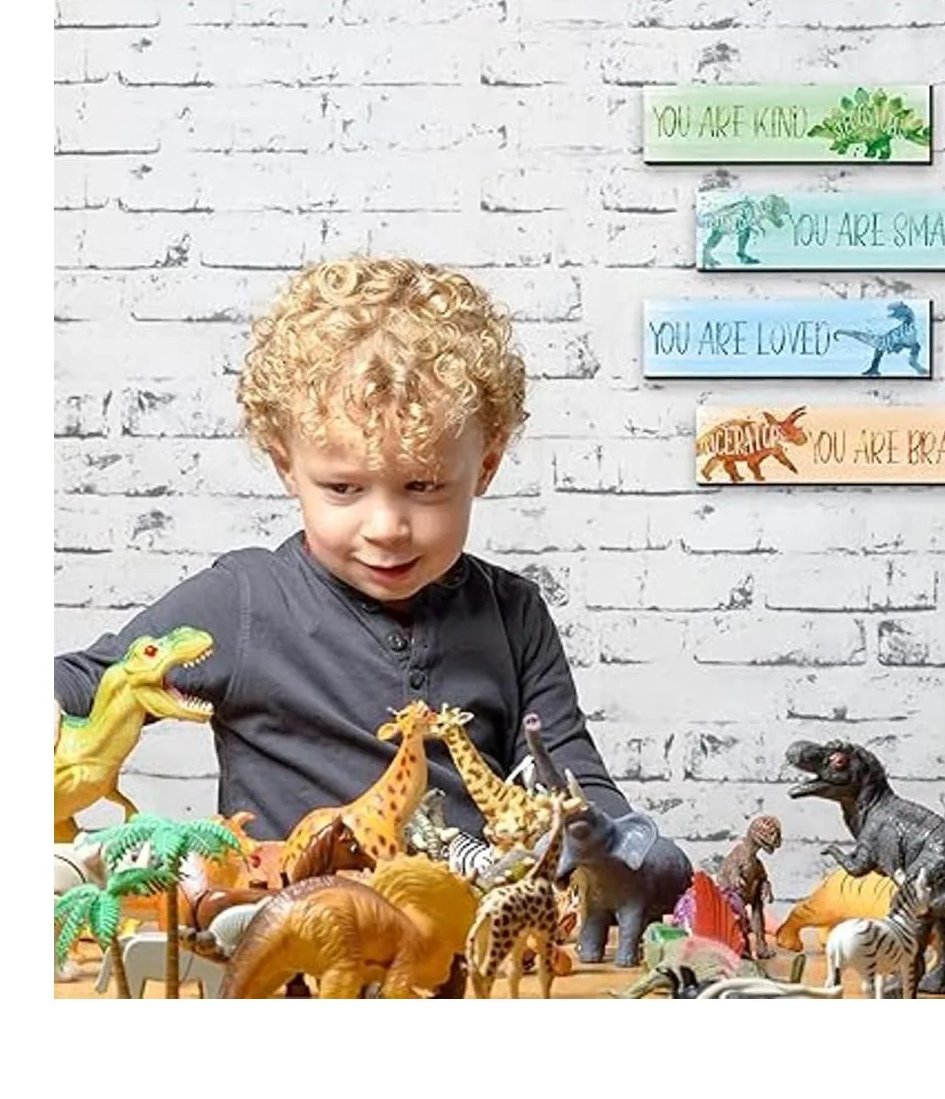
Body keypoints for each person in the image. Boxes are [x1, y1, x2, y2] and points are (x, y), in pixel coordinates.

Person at [54, 256, 630, 841]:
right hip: (286, 897)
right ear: (287, 466)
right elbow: (93, 680)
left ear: (485, 466)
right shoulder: (244, 602)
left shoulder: (512, 614)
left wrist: (625, 846)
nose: (386, 527)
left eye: (423, 485)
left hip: (474, 897)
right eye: (343, 489)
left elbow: (570, 775)